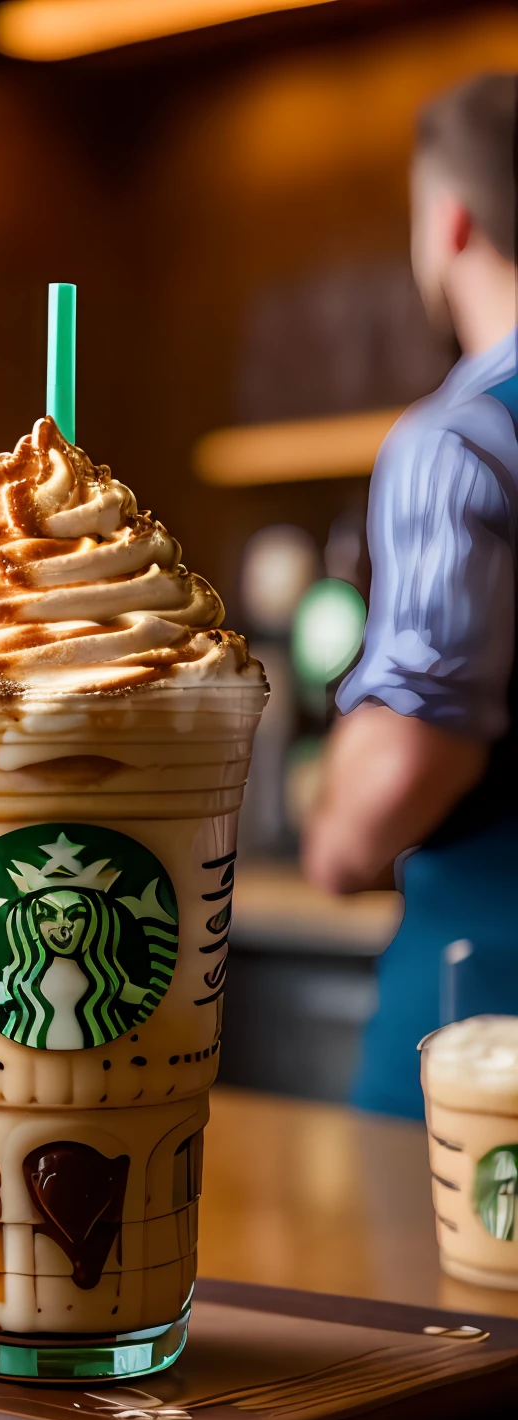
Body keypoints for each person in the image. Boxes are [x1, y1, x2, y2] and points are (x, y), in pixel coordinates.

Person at [303, 75, 518, 1118]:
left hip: (488, 1024)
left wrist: (335, 835)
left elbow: (403, 764)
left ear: (451, 220)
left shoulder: (461, 439)